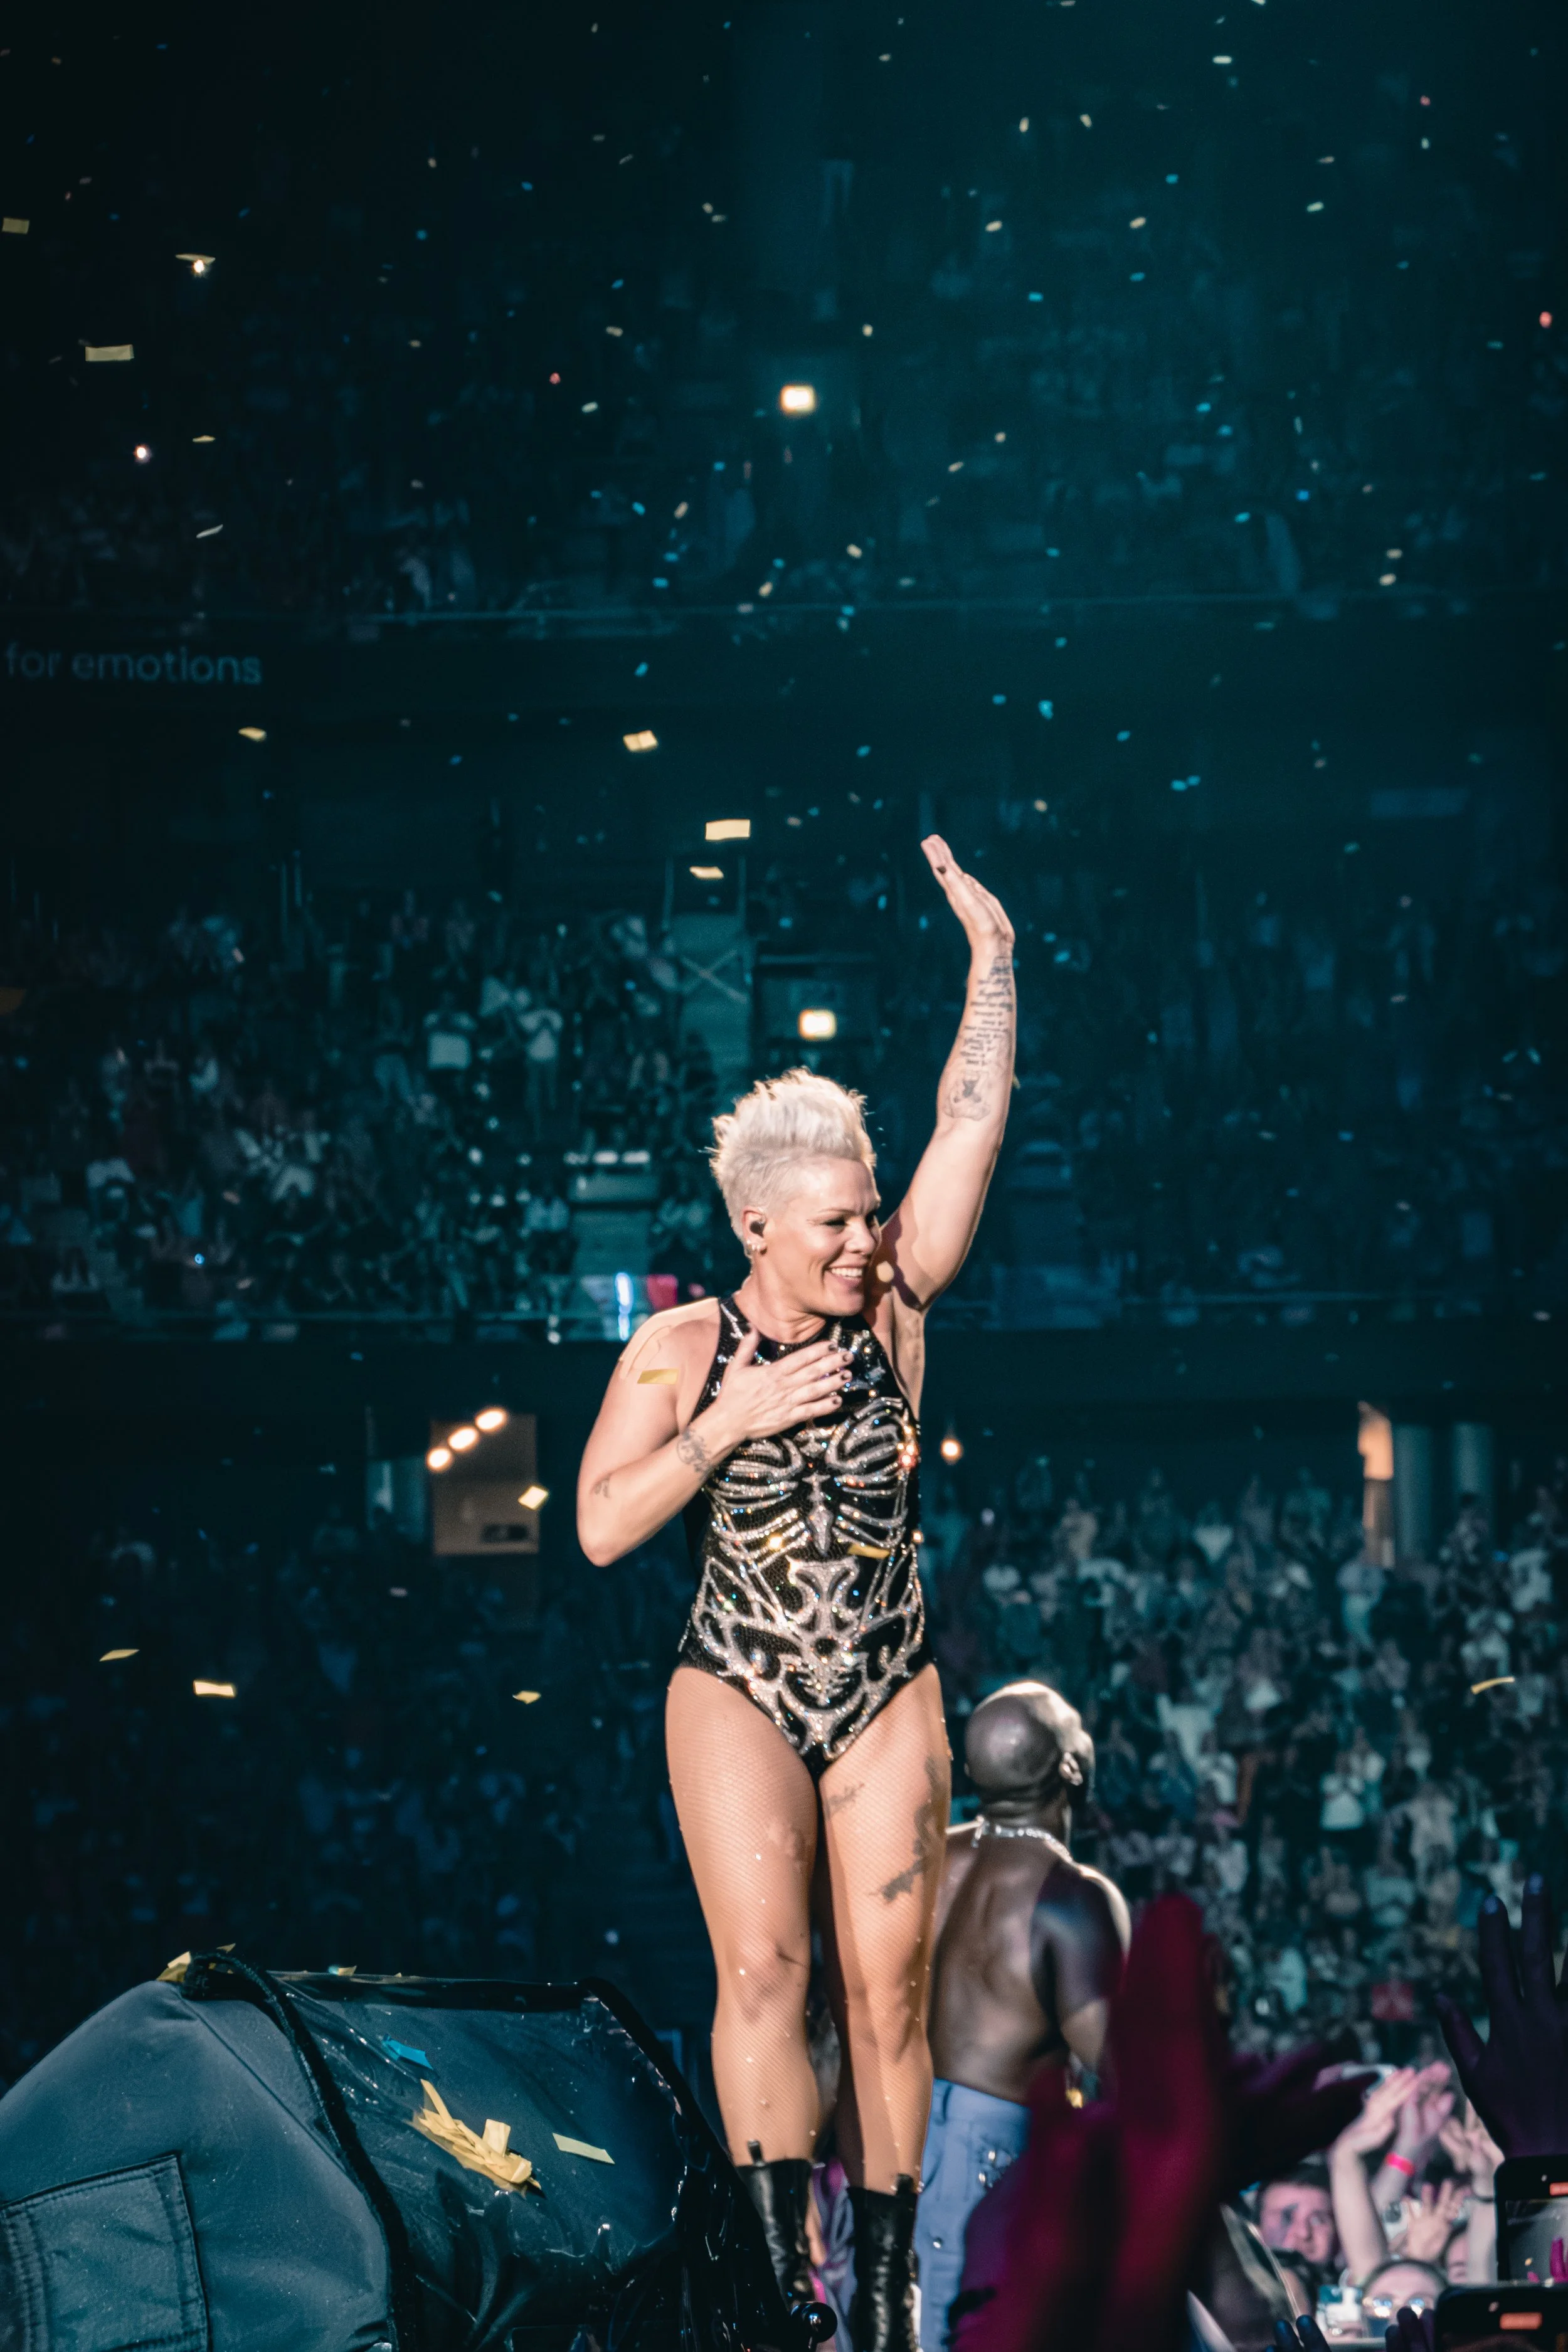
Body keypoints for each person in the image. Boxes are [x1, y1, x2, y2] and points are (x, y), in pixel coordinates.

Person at [577, 835, 1016, 2352]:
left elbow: (967, 1124)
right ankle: (785, 2289)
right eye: (833, 1220)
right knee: (767, 1969)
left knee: (889, 2000)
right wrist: (723, 1429)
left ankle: (891, 2298)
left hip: (885, 1672)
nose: (861, 1236)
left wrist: (994, 967)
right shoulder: (679, 1348)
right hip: (740, 1675)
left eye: (866, 1209)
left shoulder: (897, 1293)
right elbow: (597, 1524)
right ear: (759, 1224)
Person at [917, 1682, 1130, 2349]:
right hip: (994, 2157)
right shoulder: (1069, 1896)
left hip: (903, 2141)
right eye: (1078, 1732)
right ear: (1070, 1767)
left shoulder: (921, 1860)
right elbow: (1125, 2076)